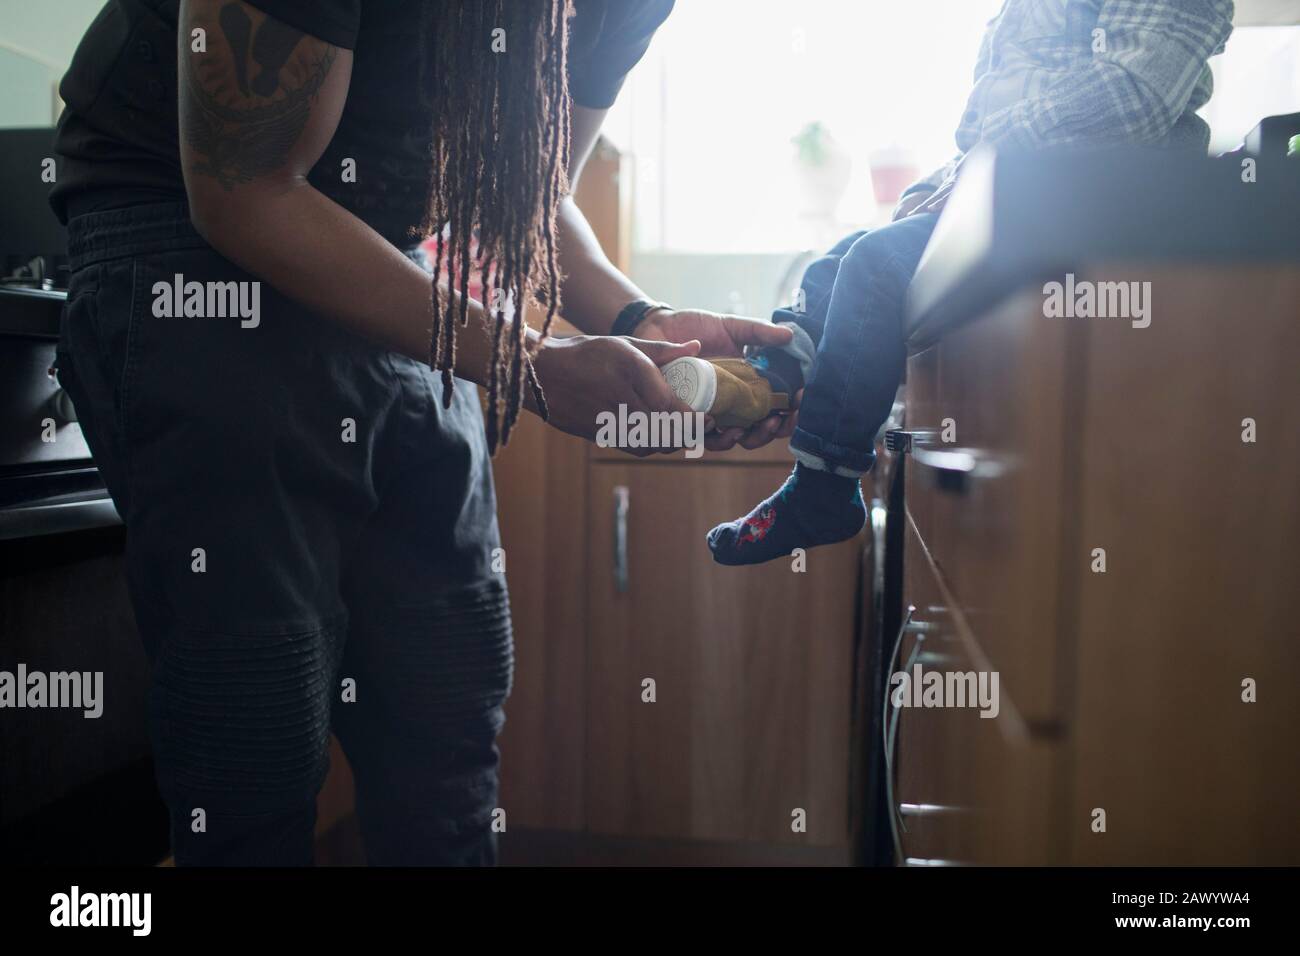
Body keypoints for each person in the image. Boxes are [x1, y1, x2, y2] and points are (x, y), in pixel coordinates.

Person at [50, 0, 793, 866]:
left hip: (391, 265)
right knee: (254, 744)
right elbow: (244, 190)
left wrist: (639, 315)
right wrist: (527, 362)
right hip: (188, 255)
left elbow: (532, 195)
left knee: (450, 711)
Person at [706, 0, 1235, 566]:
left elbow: (1133, 102)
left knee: (876, 265)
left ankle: (822, 491)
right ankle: (774, 376)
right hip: (1017, 199)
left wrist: (979, 168)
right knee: (844, 259)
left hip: (1094, 206)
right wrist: (940, 184)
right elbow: (986, 137)